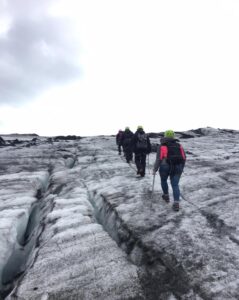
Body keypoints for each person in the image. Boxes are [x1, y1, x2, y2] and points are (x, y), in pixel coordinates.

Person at [153, 130, 186, 211]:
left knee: (163, 180)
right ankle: (176, 203)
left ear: (165, 135)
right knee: (175, 185)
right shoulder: (179, 145)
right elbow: (184, 157)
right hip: (178, 166)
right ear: (173, 136)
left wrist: (155, 169)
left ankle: (166, 196)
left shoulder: (162, 146)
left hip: (165, 165)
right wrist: (182, 167)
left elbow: (158, 159)